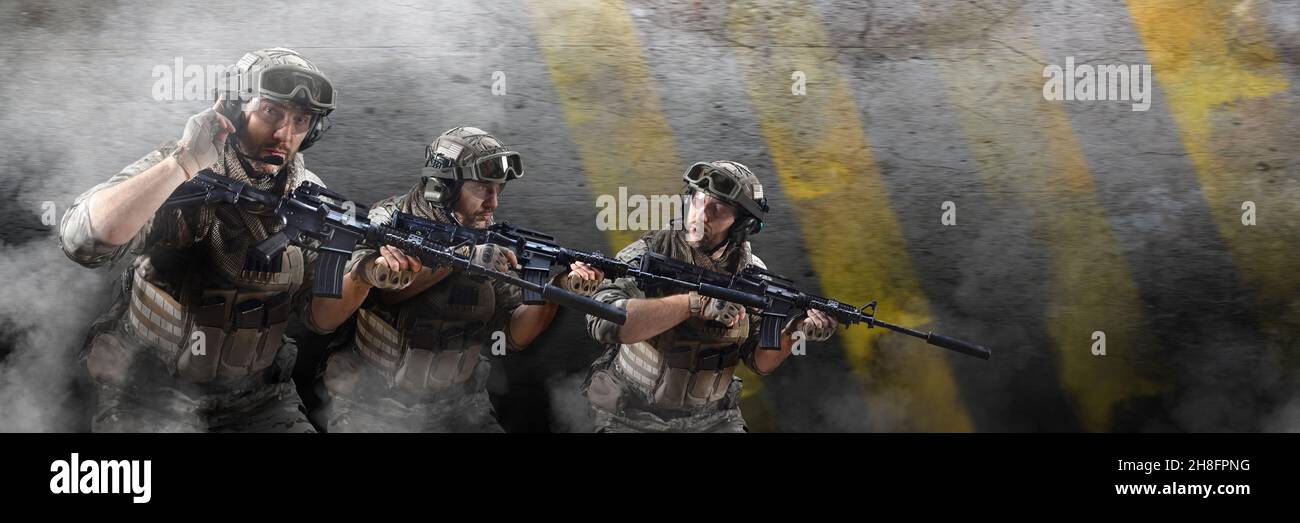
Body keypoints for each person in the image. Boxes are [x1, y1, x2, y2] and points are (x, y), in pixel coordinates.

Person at [59, 47, 356, 432]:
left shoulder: (308, 195)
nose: (284, 134)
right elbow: (82, 241)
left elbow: (319, 318)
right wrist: (182, 163)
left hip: (259, 401)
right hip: (149, 391)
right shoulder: (184, 167)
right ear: (233, 108)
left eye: (301, 120)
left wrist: (366, 270)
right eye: (270, 112)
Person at [311, 126, 605, 432]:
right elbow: (385, 292)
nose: (494, 203)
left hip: (462, 406)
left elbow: (517, 335)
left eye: (498, 189)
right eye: (483, 188)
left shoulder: (489, 237)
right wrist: (467, 258)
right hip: (372, 402)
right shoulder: (390, 219)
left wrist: (556, 290)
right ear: (444, 186)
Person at [582, 161, 837, 432]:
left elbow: (760, 363)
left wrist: (793, 332)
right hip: (630, 412)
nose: (700, 215)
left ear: (742, 224)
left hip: (713, 419)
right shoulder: (650, 253)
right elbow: (603, 323)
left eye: (717, 209)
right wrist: (694, 304)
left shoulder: (753, 275)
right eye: (697, 201)